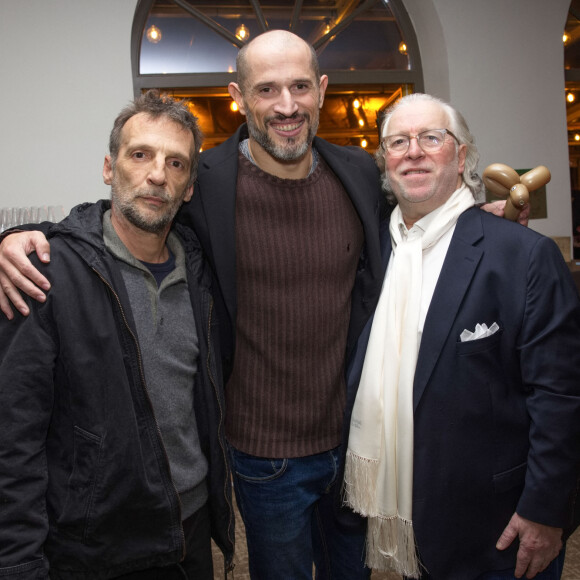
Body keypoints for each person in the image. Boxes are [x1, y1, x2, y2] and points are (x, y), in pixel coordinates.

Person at [0, 33, 527, 579]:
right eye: (267, 89)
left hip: (354, 441)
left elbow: (420, 216)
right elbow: (129, 208)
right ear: (239, 96)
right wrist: (23, 236)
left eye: (300, 86)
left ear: (322, 91)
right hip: (262, 456)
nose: (286, 105)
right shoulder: (204, 183)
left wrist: (478, 221)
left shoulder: (358, 176)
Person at [343, 93, 580, 580]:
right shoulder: (373, 256)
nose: (413, 151)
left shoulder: (522, 256)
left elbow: (561, 396)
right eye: (398, 141)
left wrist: (546, 510)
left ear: (463, 155)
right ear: (384, 163)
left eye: (432, 138)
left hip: (497, 529)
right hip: (411, 517)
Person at [0, 90, 234, 579]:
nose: (157, 175)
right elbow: (13, 439)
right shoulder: (47, 274)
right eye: (141, 155)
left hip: (189, 529)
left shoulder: (200, 273)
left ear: (189, 187)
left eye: (176, 163)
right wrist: (19, 563)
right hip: (97, 545)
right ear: (110, 168)